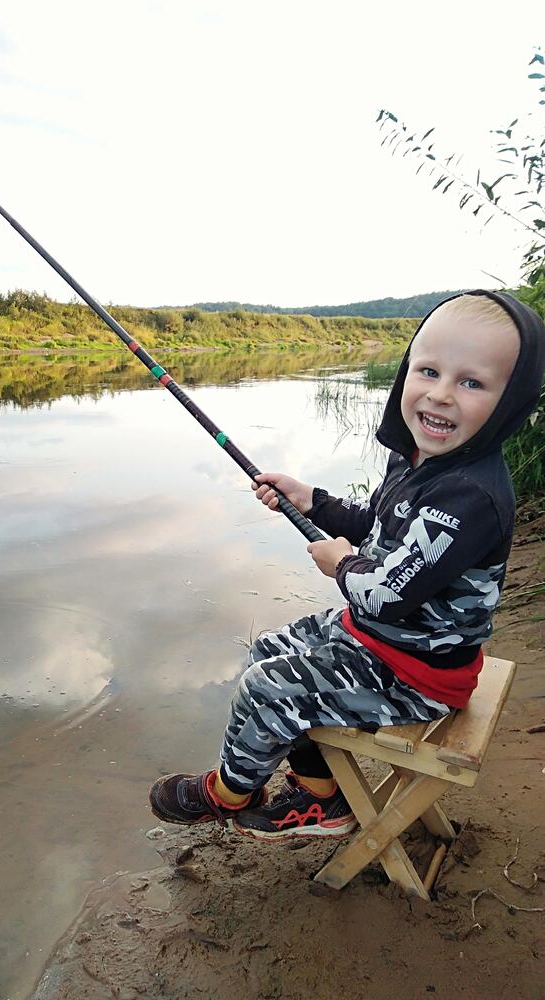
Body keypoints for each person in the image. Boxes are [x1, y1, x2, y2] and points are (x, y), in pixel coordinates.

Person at [149, 290, 545, 840]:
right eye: (428, 371)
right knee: (270, 648)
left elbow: (386, 593)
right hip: (380, 638)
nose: (441, 395)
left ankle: (227, 792)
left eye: (472, 382)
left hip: (420, 671)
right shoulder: (419, 459)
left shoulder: (469, 496)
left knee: (271, 687)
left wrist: (342, 565)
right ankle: (319, 796)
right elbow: (379, 525)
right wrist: (311, 499)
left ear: (511, 400)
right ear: (407, 371)